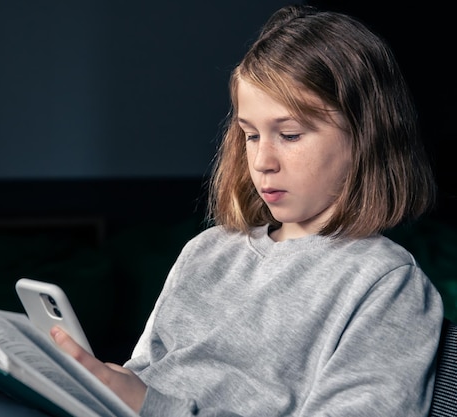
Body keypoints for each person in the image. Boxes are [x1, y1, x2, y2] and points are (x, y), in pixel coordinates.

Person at [51, 4, 444, 416]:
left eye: (289, 135)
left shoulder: (385, 283)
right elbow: (145, 378)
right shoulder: (207, 251)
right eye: (251, 135)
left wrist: (151, 405)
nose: (262, 161)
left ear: (365, 138)